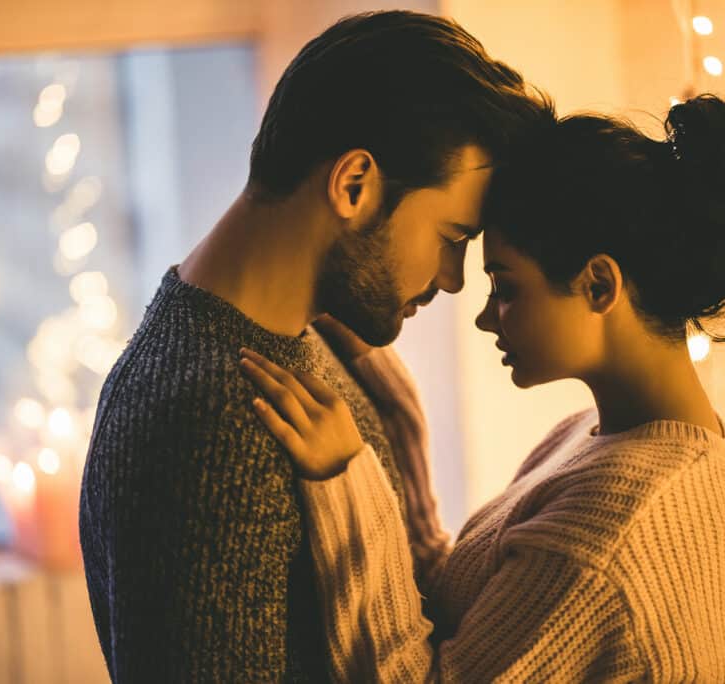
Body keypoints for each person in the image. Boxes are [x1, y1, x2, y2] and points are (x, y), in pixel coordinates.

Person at [77, 9, 552, 683]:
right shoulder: (214, 423)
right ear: (354, 185)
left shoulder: (298, 340)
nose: (451, 280)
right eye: (451, 237)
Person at [240, 94, 725, 682]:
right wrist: (384, 394)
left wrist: (343, 476)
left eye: (505, 287)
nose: (486, 317)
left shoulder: (614, 526)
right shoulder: (610, 436)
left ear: (598, 285)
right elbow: (460, 606)